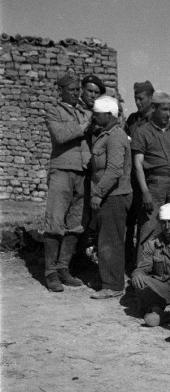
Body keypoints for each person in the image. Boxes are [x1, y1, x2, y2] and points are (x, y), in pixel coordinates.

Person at [131, 91, 170, 258]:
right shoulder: (142, 132)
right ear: (154, 108)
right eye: (164, 109)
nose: (168, 113)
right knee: (149, 225)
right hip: (155, 184)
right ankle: (143, 269)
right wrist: (145, 191)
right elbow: (138, 164)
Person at [43, 73, 92, 292]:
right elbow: (60, 136)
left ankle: (63, 268)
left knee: (76, 223)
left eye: (77, 90)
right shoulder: (54, 111)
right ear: (60, 91)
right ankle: (50, 272)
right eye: (71, 90)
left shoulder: (83, 111)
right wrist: (83, 126)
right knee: (55, 221)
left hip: (82, 171)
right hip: (62, 170)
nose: (76, 94)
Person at [89, 96, 132, 299]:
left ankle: (113, 285)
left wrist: (98, 193)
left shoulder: (115, 136)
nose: (94, 117)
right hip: (111, 193)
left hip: (113, 195)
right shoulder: (106, 134)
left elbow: (114, 170)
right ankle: (111, 280)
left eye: (97, 114)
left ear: (108, 115)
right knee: (107, 237)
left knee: (111, 239)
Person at [124, 80, 155, 269]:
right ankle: (127, 262)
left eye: (141, 98)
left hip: (148, 178)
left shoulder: (156, 119)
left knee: (146, 224)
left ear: (151, 98)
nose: (137, 102)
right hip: (132, 179)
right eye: (135, 98)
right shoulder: (133, 120)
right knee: (129, 222)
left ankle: (143, 264)